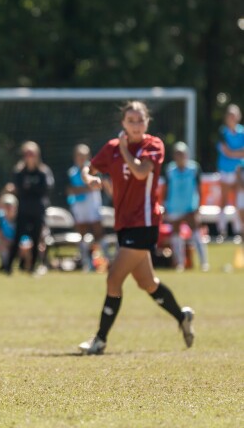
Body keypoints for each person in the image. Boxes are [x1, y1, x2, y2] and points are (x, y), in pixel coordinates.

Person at [78, 101, 195, 355]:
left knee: (113, 279)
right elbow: (89, 168)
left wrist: (124, 149)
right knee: (148, 283)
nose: (135, 125)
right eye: (130, 120)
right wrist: (90, 178)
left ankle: (100, 340)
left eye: (140, 120)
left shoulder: (152, 145)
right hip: (124, 224)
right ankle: (182, 315)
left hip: (144, 222)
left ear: (147, 122)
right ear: (123, 123)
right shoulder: (112, 148)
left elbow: (141, 172)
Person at [2, 141, 53, 275]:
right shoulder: (19, 171)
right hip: (23, 210)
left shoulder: (43, 172)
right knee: (17, 237)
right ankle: (8, 267)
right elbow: (19, 189)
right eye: (27, 154)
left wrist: (29, 189)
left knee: (36, 239)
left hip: (37, 211)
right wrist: (31, 190)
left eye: (32, 154)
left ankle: (32, 267)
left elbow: (45, 189)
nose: (29, 156)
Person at [163, 141, 209, 272]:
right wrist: (165, 205)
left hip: (190, 207)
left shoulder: (194, 169)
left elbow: (199, 188)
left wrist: (199, 204)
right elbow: (165, 190)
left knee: (196, 235)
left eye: (182, 154)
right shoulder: (169, 170)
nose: (180, 157)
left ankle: (204, 262)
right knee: (176, 236)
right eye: (177, 154)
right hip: (174, 207)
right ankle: (180, 263)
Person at [66, 143, 108, 271]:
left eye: (84, 156)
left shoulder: (94, 169)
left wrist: (81, 189)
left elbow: (99, 185)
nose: (82, 159)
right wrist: (86, 188)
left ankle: (106, 260)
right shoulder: (71, 173)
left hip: (93, 203)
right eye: (79, 156)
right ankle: (86, 262)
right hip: (78, 205)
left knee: (98, 231)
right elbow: (70, 190)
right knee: (82, 232)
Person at [215, 104, 244, 241]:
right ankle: (222, 230)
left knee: (239, 201)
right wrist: (237, 153)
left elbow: (232, 152)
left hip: (239, 171)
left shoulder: (242, 132)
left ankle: (239, 231)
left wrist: (233, 153)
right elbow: (226, 151)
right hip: (225, 170)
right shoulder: (222, 132)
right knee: (224, 200)